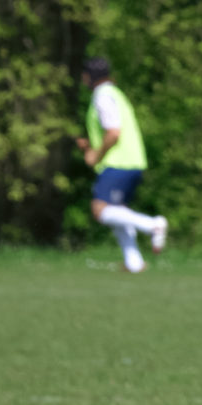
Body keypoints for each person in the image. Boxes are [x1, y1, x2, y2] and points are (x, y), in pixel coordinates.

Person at [81, 55, 167, 273]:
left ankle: (153, 225)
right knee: (119, 213)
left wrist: (96, 155)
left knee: (100, 210)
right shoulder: (115, 93)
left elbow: (113, 132)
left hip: (119, 162)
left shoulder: (102, 96)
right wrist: (89, 146)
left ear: (90, 76)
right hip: (132, 161)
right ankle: (134, 263)